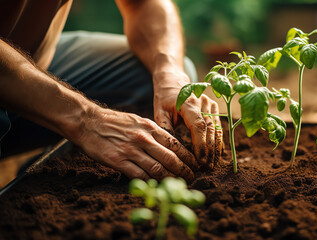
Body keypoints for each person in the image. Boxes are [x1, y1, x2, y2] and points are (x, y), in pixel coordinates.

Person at [0, 0, 223, 182]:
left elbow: (142, 5)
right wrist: (87, 119)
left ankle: (43, 171)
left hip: (36, 60)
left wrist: (169, 74)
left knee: (161, 76)